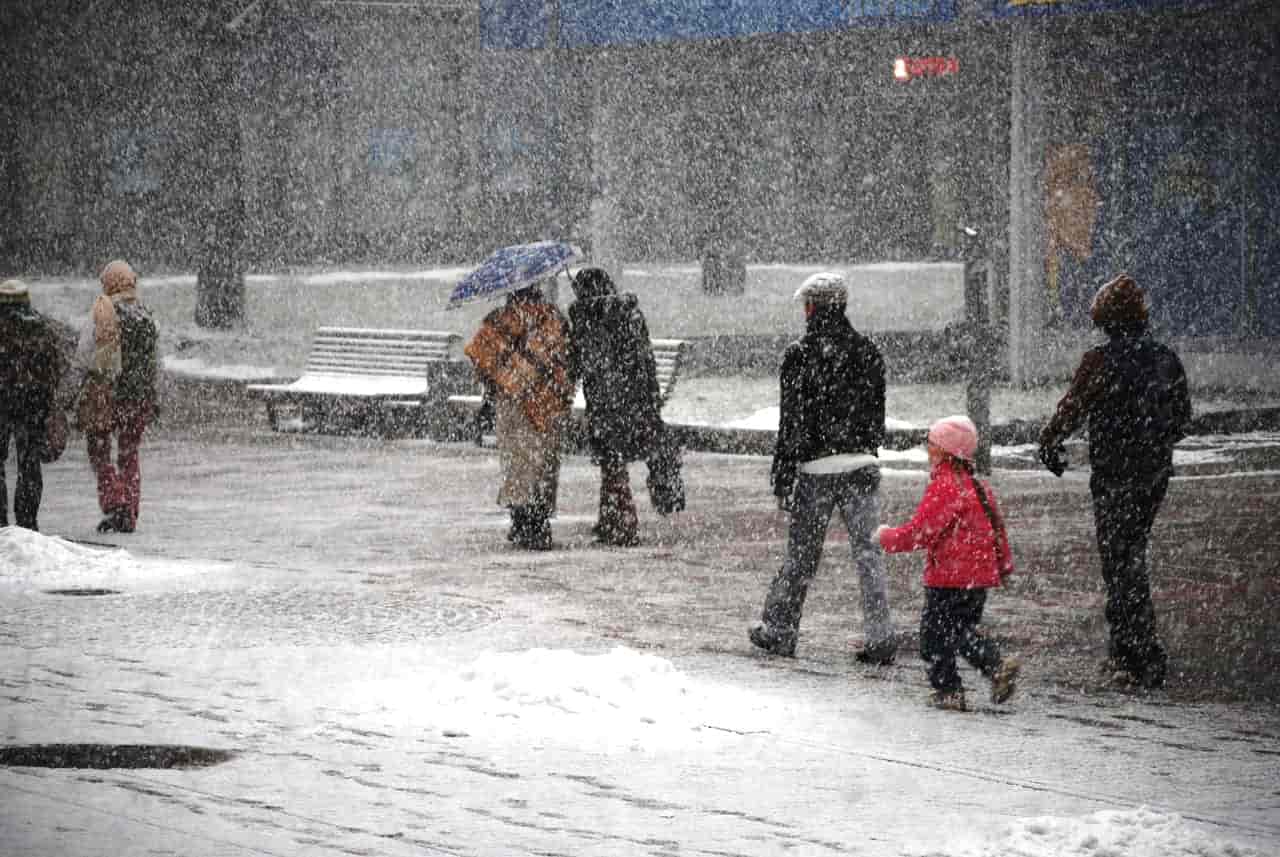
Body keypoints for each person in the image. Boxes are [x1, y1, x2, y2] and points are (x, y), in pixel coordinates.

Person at [1037, 273, 1191, 690]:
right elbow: (1181, 420)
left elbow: (1071, 409)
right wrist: (1153, 443)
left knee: (1121, 561)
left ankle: (1138, 650)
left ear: (1106, 322)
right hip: (1152, 475)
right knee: (1130, 553)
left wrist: (1050, 442)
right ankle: (1129, 646)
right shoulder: (1166, 359)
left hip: (1114, 475)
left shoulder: (1099, 362)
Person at [748, 272, 897, 663]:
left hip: (816, 470)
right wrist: (862, 446)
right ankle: (880, 637)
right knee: (869, 555)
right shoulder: (868, 351)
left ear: (812, 307)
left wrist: (783, 473)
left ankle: (781, 629)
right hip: (861, 466)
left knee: (801, 557)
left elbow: (791, 422)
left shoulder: (799, 354)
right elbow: (876, 415)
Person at [878, 416, 1020, 712]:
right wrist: (1002, 566)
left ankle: (956, 686)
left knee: (935, 638)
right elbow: (997, 529)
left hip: (950, 577)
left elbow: (922, 532)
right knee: (959, 631)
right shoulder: (976, 486)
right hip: (978, 579)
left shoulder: (945, 486)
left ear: (946, 451)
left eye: (932, 444)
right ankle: (989, 669)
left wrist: (887, 538)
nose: (928, 450)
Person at [464, 282, 575, 550]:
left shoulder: (502, 320)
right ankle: (539, 522)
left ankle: (522, 521)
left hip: (513, 403)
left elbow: (483, 357)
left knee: (518, 463)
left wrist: (501, 378)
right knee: (544, 463)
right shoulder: (553, 318)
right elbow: (567, 359)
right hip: (548, 403)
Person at [568, 267, 670, 547]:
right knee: (612, 461)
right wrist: (650, 395)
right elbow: (643, 357)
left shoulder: (584, 318)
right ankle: (612, 518)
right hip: (632, 397)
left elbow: (579, 362)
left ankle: (621, 523)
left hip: (604, 400)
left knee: (610, 461)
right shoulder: (629, 313)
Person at [69, 260, 159, 534]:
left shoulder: (102, 311)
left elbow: (84, 356)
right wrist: (154, 396)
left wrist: (72, 392)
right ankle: (130, 509)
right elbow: (157, 361)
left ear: (108, 283)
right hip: (139, 397)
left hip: (108, 395)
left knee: (99, 450)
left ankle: (115, 499)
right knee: (129, 453)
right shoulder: (147, 316)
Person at [0, 279, 66, 531]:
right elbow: (55, 368)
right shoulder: (42, 327)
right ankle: (27, 521)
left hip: (2, 404)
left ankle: (1, 522)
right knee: (29, 464)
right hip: (34, 405)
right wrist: (48, 399)